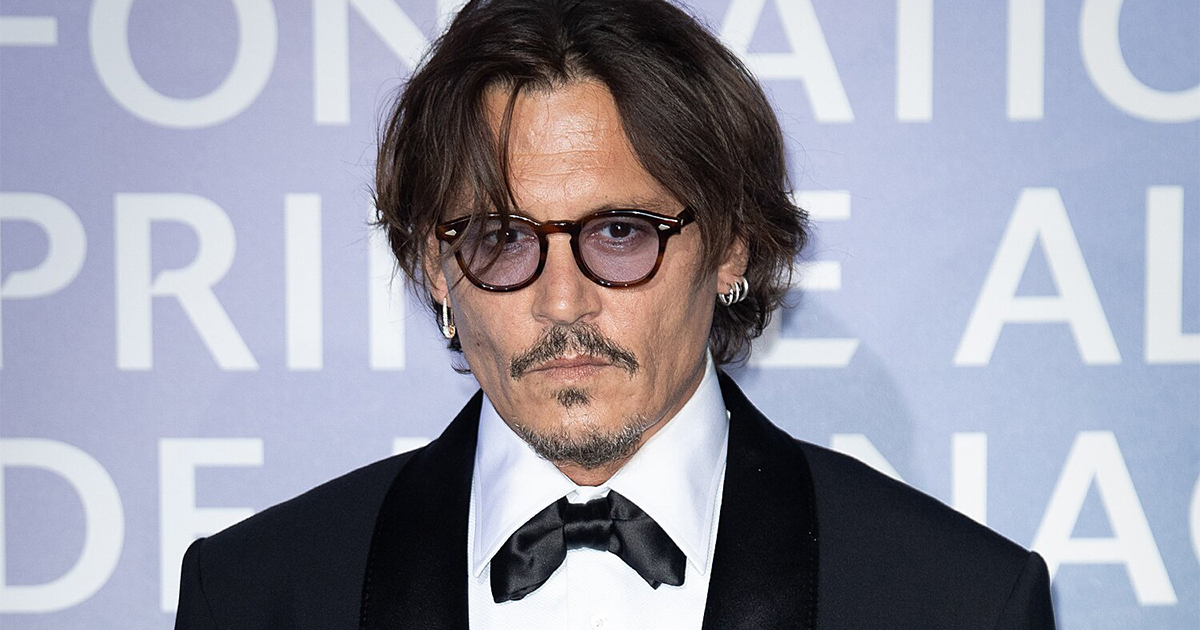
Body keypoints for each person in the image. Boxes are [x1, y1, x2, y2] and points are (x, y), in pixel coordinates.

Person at [174, 0, 1056, 628]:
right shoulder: (256, 595)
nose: (564, 301)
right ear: (439, 270)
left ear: (733, 246)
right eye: (503, 239)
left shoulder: (958, 601)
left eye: (621, 233)